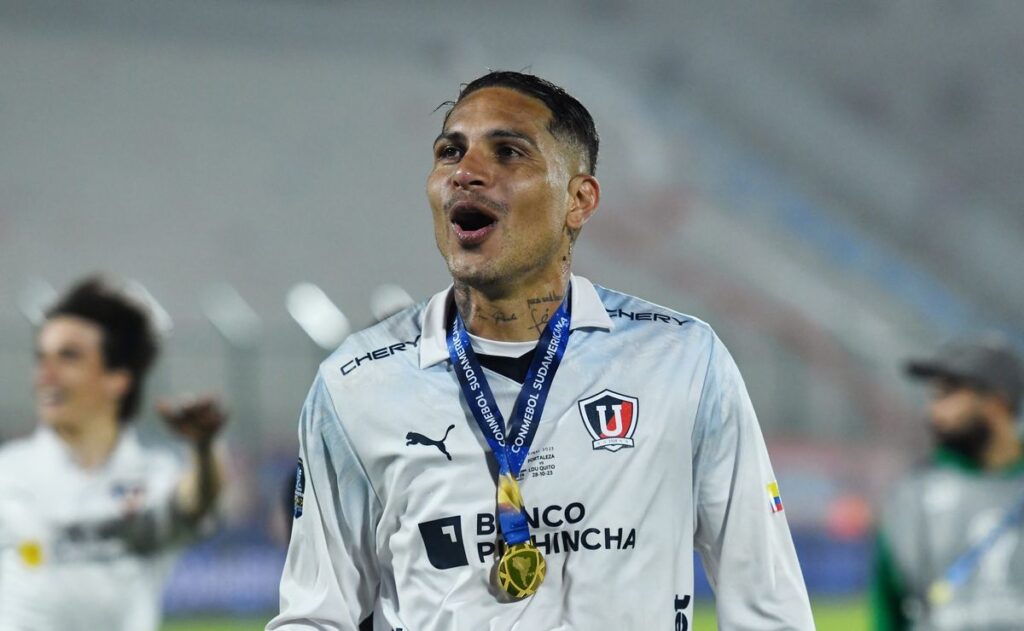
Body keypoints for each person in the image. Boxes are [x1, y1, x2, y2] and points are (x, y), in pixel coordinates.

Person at [269, 71, 814, 630]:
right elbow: (316, 617)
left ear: (579, 200)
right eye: (450, 151)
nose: (466, 173)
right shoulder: (357, 385)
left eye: (507, 152)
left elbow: (767, 607)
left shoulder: (681, 362)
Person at [0, 277, 228, 631]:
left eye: (68, 357)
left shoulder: (151, 474)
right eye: (41, 358)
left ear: (117, 379)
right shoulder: (8, 473)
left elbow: (195, 501)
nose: (45, 375)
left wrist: (202, 447)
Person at [872, 335, 1024, 631]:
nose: (933, 413)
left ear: (995, 402)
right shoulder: (911, 497)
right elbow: (888, 610)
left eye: (946, 396)